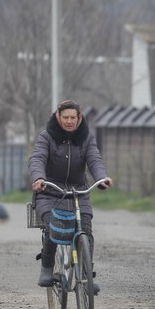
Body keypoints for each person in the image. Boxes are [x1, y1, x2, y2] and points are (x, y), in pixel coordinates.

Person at [29, 99, 113, 291]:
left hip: (78, 192)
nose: (69, 121)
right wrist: (39, 178)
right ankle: (47, 267)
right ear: (58, 117)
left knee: (86, 230)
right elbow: (38, 158)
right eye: (65, 117)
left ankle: (85, 276)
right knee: (53, 229)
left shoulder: (86, 137)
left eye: (72, 117)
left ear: (79, 118)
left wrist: (102, 178)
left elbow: (94, 159)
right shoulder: (46, 136)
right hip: (50, 192)